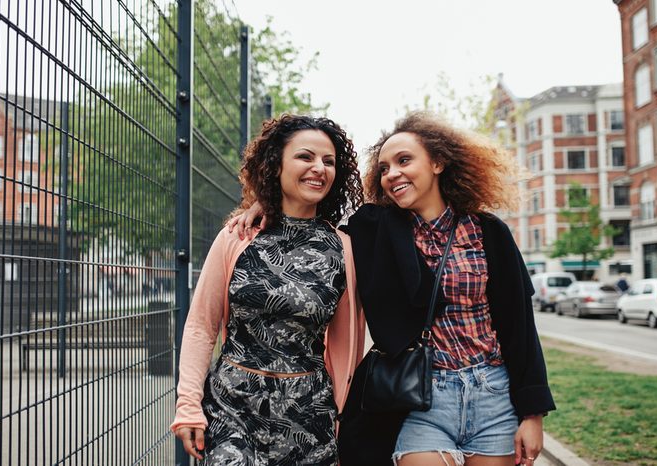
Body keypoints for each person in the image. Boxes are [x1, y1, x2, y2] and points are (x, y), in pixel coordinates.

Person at [230, 111, 556, 466]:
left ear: (438, 163)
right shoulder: (373, 229)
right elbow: (311, 219)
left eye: (404, 161)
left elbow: (519, 326)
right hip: (419, 396)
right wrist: (270, 202)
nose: (392, 174)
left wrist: (532, 414)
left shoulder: (488, 232)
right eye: (384, 168)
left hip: (492, 393)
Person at [171, 114, 366, 465]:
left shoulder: (344, 249)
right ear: (276, 165)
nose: (319, 168)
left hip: (308, 417)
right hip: (232, 408)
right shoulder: (238, 235)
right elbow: (201, 325)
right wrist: (188, 407)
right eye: (305, 157)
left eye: (329, 161)